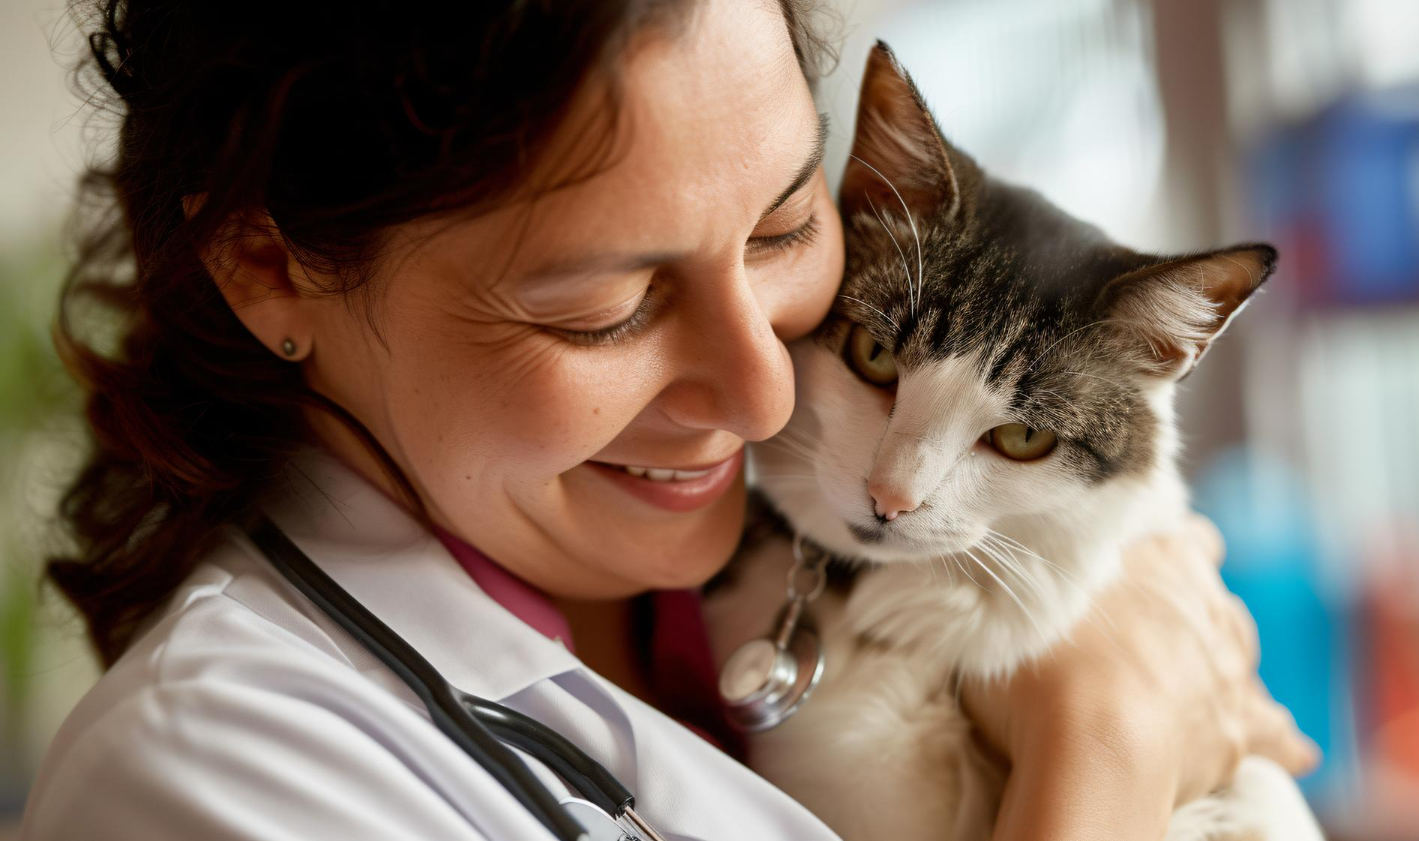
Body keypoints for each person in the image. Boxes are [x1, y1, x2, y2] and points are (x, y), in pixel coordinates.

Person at [24, 0, 1318, 838]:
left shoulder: (759, 560)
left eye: (785, 228)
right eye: (604, 308)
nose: (763, 391)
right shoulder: (208, 783)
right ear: (271, 266)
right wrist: (1101, 756)